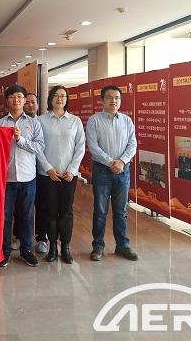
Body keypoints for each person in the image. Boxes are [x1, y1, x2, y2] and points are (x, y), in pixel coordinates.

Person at [0, 85, 45, 268]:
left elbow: (39, 147)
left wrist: (20, 140)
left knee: (26, 216)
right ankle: (4, 251)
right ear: (7, 100)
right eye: (12, 97)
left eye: (19, 97)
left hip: (27, 177)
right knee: (5, 217)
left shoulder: (34, 123)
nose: (16, 100)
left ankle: (26, 250)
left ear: (24, 100)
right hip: (5, 179)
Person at [87, 84, 138, 262]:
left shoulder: (127, 121)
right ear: (102, 100)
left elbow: (132, 144)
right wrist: (111, 162)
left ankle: (122, 245)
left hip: (123, 170)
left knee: (121, 211)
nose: (113, 101)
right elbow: (93, 146)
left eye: (117, 98)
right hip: (102, 170)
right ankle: (98, 246)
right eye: (109, 97)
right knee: (100, 210)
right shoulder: (94, 120)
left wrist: (122, 161)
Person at [36, 85, 85, 264]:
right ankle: (52, 247)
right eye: (56, 95)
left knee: (66, 212)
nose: (59, 99)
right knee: (50, 211)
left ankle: (65, 247)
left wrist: (72, 170)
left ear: (67, 99)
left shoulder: (75, 121)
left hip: (68, 175)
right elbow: (37, 147)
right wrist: (48, 168)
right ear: (50, 98)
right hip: (47, 174)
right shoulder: (41, 120)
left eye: (63, 96)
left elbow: (80, 147)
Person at [20, 92, 48, 255]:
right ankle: (20, 237)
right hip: (24, 171)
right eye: (28, 102)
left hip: (43, 171)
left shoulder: (42, 122)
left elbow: (41, 148)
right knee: (22, 207)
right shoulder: (17, 123)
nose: (31, 105)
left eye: (33, 102)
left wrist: (47, 167)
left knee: (42, 205)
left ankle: (41, 238)